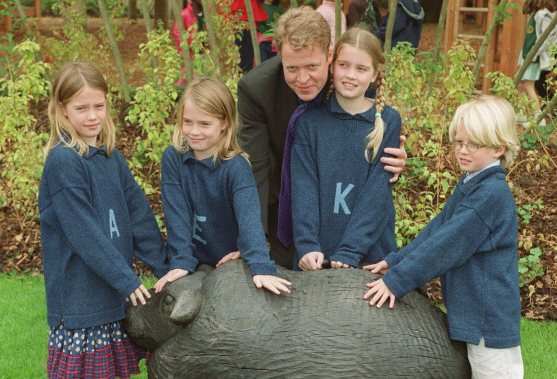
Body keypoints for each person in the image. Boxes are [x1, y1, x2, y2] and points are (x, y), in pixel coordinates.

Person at [362, 95, 551, 379]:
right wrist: (395, 260)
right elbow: (438, 231)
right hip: (473, 316)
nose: (462, 151)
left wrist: (397, 281)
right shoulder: (471, 184)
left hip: (488, 319)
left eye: (473, 144)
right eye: (458, 142)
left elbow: (446, 248)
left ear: (499, 149)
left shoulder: (490, 196)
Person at [39, 62, 169, 379]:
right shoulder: (64, 161)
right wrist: (126, 279)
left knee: (87, 365)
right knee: (86, 374)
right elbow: (85, 234)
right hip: (78, 285)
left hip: (106, 280)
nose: (92, 116)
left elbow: (139, 217)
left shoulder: (111, 156)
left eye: (99, 106)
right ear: (62, 109)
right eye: (81, 108)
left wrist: (167, 266)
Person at [236, 6, 407, 270]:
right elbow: (254, 171)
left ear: (329, 57)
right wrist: (254, 245)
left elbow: (372, 144)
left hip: (352, 221)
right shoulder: (256, 90)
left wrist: (395, 165)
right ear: (280, 56)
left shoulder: (351, 77)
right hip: (285, 208)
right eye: (291, 67)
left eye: (312, 66)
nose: (302, 78)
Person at [154, 77, 291, 296]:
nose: (194, 131)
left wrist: (259, 263)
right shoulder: (173, 158)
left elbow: (249, 218)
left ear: (225, 123)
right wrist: (180, 260)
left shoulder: (236, 166)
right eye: (188, 122)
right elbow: (176, 214)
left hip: (229, 260)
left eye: (205, 124)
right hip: (194, 260)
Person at [292, 27, 401, 271]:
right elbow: (303, 189)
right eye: (344, 65)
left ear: (374, 75)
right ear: (332, 66)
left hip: (370, 253)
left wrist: (351, 250)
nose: (350, 75)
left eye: (361, 69)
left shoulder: (388, 122)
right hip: (318, 254)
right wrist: (307, 246)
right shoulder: (309, 124)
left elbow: (377, 193)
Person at [516, 0, 557, 127]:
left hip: (534, 59)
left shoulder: (544, 15)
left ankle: (538, 118)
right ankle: (520, 114)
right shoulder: (535, 15)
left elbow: (547, 38)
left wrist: (534, 53)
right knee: (520, 84)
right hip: (528, 57)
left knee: (528, 85)